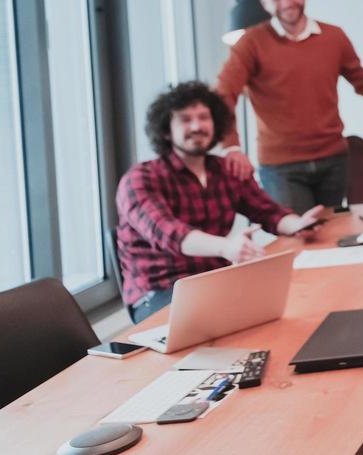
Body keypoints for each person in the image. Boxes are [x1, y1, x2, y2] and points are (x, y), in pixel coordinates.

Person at [117, 81, 327, 323]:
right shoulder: (139, 179)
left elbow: (268, 212)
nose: (197, 126)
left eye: (203, 117)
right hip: (159, 295)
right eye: (185, 120)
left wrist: (298, 225)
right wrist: (226, 247)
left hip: (216, 283)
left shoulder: (225, 170)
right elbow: (171, 234)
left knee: (299, 303)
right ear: (166, 130)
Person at [214, 0, 363, 210]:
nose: (286, 3)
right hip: (281, 166)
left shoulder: (333, 37)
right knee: (297, 236)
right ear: (264, 2)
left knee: (330, 236)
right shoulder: (250, 44)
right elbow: (224, 94)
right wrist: (232, 147)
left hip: (333, 159)